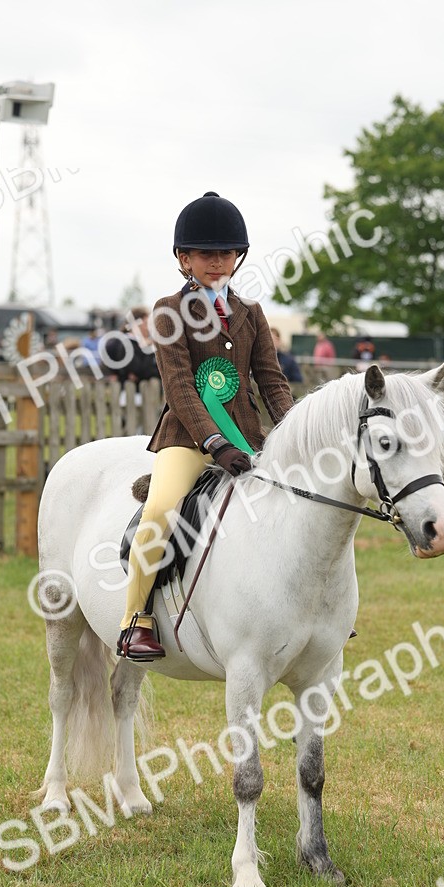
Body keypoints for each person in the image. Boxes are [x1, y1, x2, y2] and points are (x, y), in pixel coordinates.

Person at [117, 191, 295, 661]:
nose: (217, 262)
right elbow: (179, 387)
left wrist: (295, 429)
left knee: (296, 510)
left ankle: (303, 612)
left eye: (226, 254)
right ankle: (136, 618)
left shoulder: (251, 314)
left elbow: (271, 380)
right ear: (184, 259)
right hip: (189, 440)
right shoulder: (168, 310)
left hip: (248, 440)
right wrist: (214, 443)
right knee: (159, 512)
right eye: (206, 254)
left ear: (238, 258)